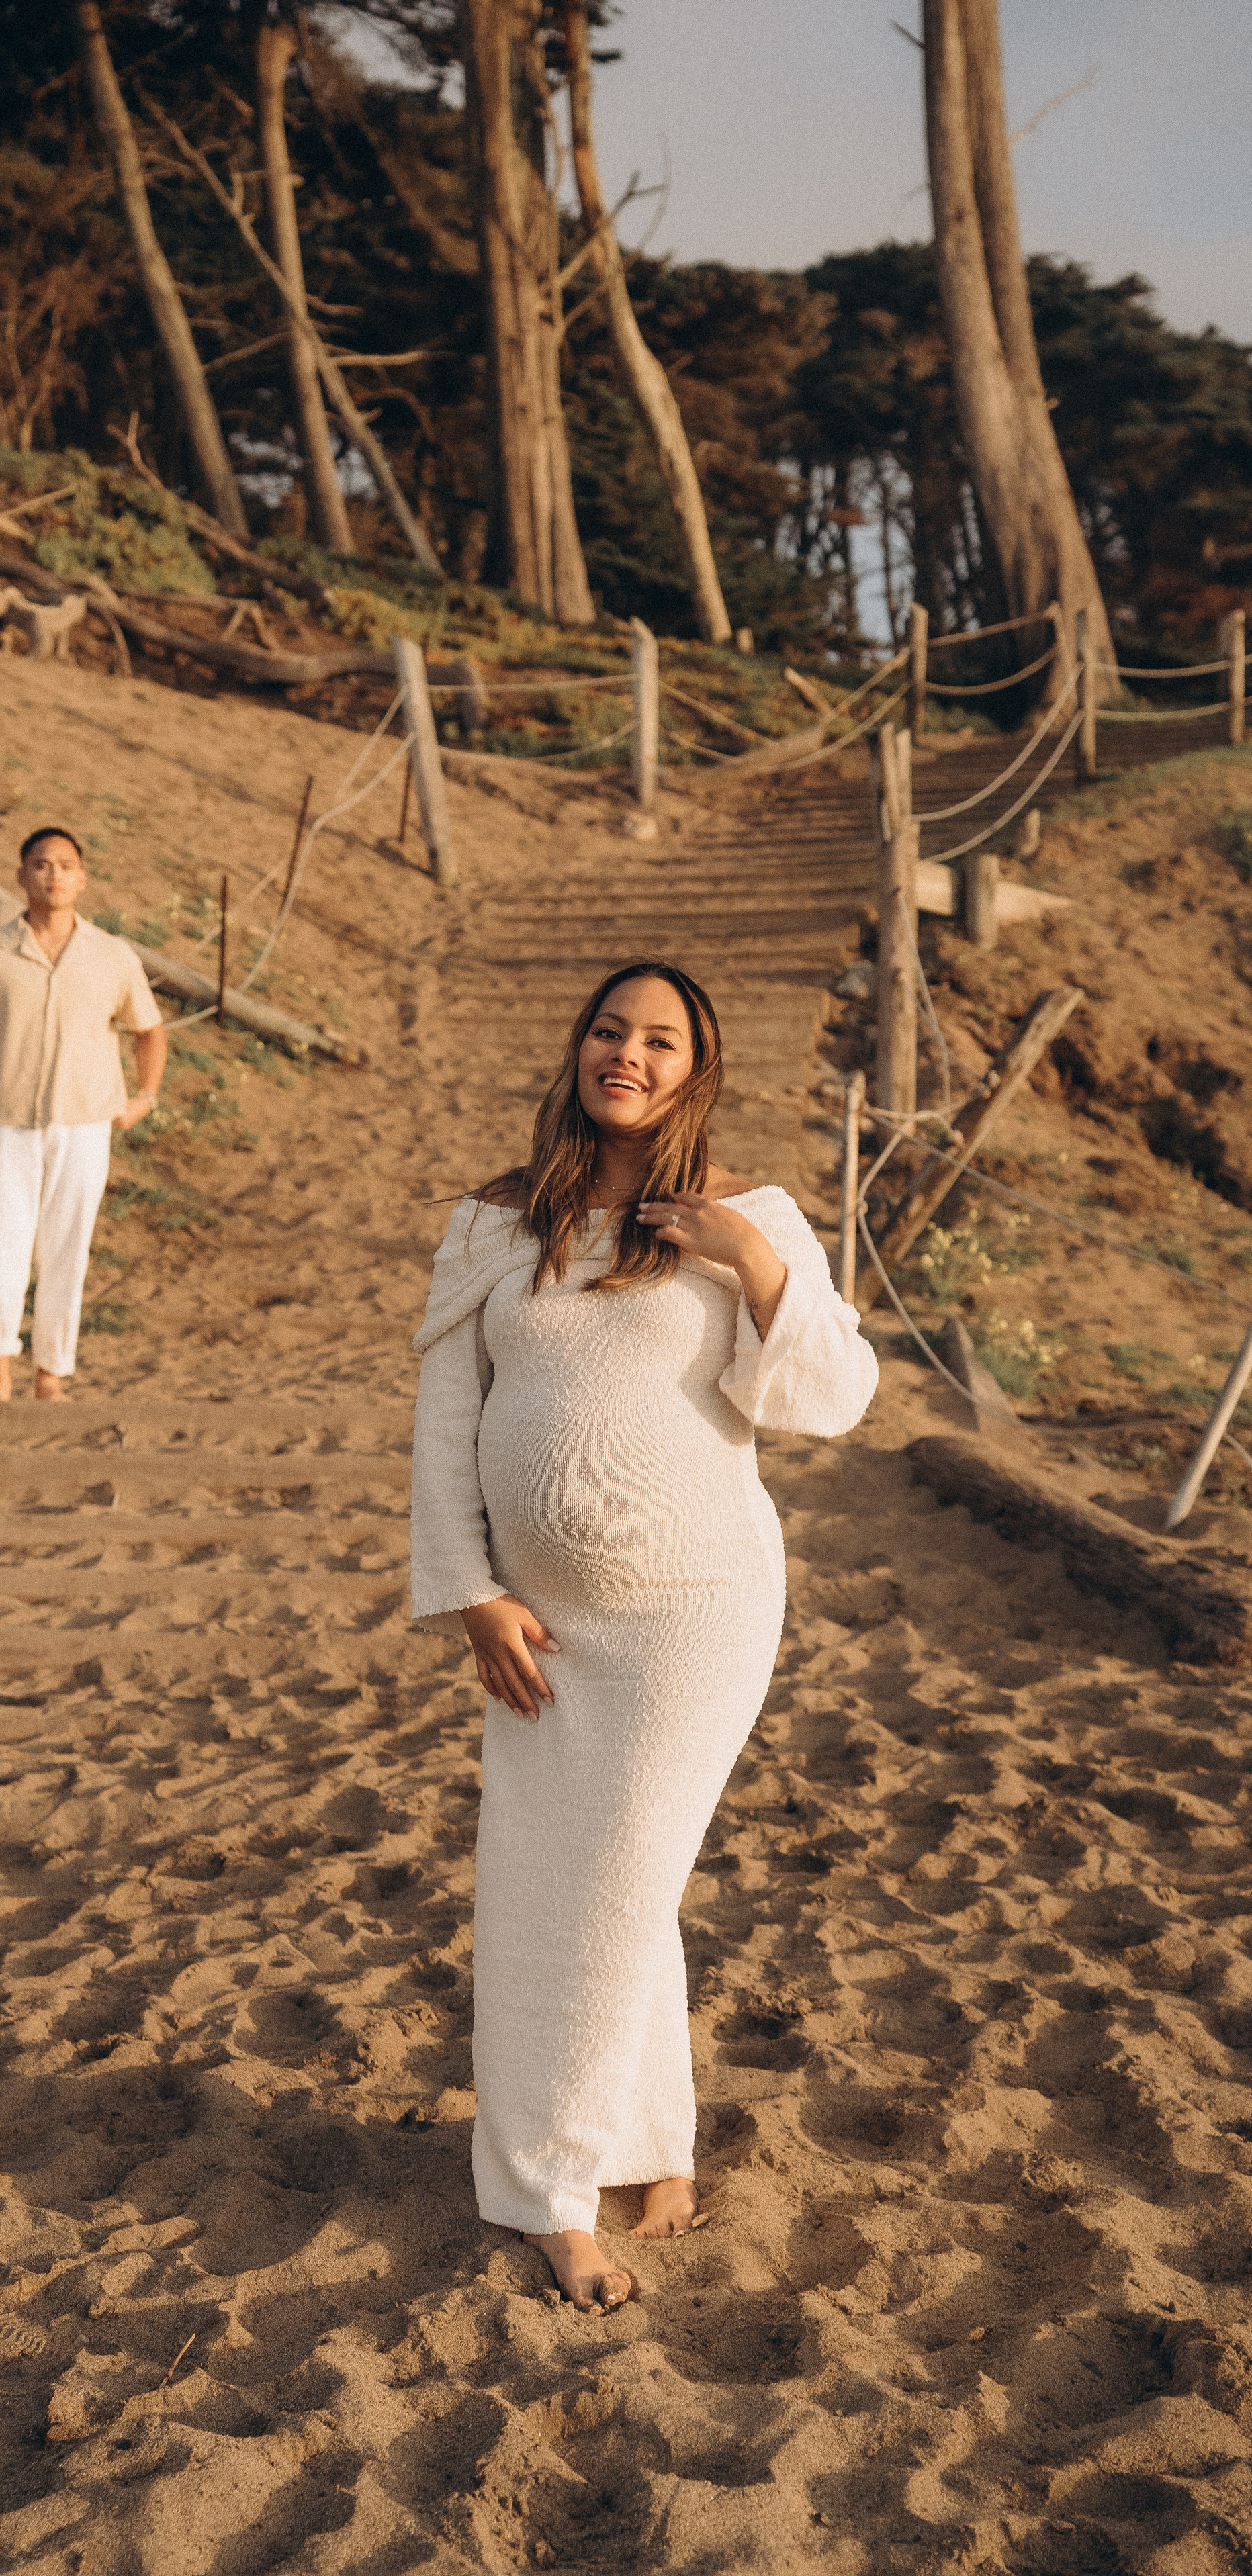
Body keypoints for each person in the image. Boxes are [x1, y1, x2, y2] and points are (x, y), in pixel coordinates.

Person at [409, 960, 877, 2313]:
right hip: (537, 1624)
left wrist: (753, 1264)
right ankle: (637, 2152)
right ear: (577, 1049)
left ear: (694, 1067)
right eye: (608, 1028)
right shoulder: (496, 1223)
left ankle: (555, 2191)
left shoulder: (751, 1215)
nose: (627, 1052)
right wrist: (469, 1590)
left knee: (615, 1882)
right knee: (559, 1888)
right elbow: (445, 1419)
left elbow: (831, 1400)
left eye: (658, 1039)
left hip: (695, 1614)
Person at [0, 827, 167, 1401]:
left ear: (83, 878)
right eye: (41, 865)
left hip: (85, 1125)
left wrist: (146, 1096)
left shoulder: (113, 955)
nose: (54, 875)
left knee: (69, 1249)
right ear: (21, 876)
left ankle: (52, 1375)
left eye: (66, 865)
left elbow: (150, 1031)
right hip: (3, 1124)